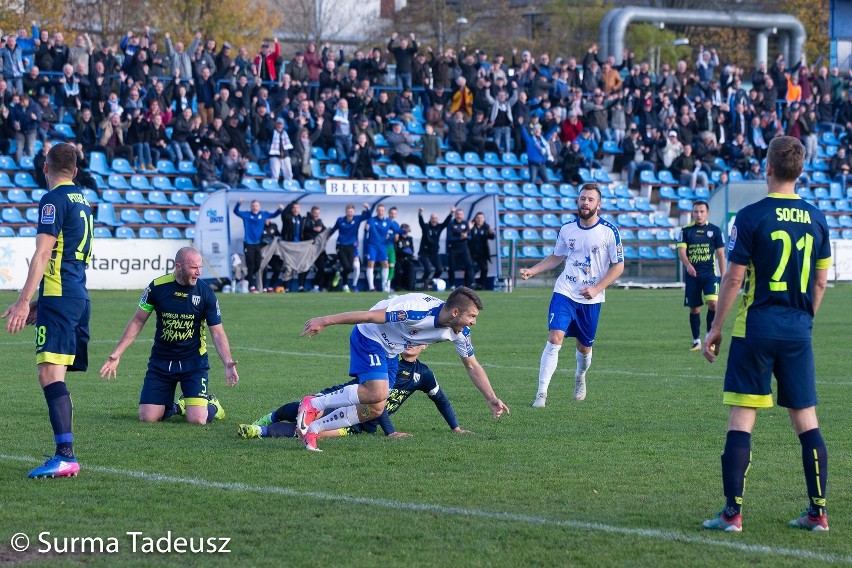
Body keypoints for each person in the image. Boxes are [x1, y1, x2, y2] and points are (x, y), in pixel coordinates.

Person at [702, 136, 832, 533]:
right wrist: (804, 320)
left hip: (754, 329)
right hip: (797, 331)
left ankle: (733, 513)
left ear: (768, 168)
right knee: (806, 420)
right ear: (800, 171)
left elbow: (734, 277)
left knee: (742, 419)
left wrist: (717, 327)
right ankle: (818, 512)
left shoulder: (751, 215)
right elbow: (822, 282)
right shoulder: (817, 217)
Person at [295, 287, 510, 451]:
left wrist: (491, 397)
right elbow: (369, 317)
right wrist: (324, 321)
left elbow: (472, 365)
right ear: (455, 312)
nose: (473, 323)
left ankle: (313, 430)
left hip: (392, 349)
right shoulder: (415, 311)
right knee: (376, 392)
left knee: (378, 408)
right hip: (370, 335)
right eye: (472, 317)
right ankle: (313, 403)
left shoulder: (460, 332)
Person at [2, 143, 93, 479]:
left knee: (49, 374)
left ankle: (65, 455)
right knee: (55, 373)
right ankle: (64, 452)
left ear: (45, 167)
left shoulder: (52, 200)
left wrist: (24, 300)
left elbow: (43, 254)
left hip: (61, 294)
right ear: (76, 170)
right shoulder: (83, 200)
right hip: (76, 294)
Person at [99, 247, 239, 425]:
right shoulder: (157, 287)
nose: (198, 272)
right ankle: (180, 406)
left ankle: (213, 406)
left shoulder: (206, 293)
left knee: (197, 420)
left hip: (193, 362)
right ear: (178, 266)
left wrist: (227, 361)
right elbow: (138, 321)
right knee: (147, 418)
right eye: (193, 267)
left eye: (200, 267)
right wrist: (117, 354)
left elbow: (217, 331)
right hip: (162, 362)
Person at [520, 183, 624, 408]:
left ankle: (580, 376)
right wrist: (533, 270)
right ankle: (541, 394)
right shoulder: (567, 229)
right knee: (554, 338)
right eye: (582, 198)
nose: (585, 203)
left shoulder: (609, 231)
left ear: (599, 204)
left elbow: (618, 267)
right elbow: (557, 256)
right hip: (565, 292)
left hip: (591, 300)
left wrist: (596, 289)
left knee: (584, 348)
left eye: (590, 199)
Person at [238, 344, 471, 439]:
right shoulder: (385, 363)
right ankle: (271, 416)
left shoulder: (423, 374)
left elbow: (440, 399)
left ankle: (260, 430)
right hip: (340, 398)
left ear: (425, 344)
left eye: (417, 339)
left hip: (360, 422)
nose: (411, 343)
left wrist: (456, 427)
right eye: (408, 337)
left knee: (311, 431)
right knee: (309, 411)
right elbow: (374, 395)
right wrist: (390, 432)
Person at [677, 201, 726, 351]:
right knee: (695, 308)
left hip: (710, 275)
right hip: (693, 276)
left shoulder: (715, 231)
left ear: (707, 213)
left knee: (713, 303)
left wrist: (724, 275)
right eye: (696, 212)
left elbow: (721, 254)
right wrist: (688, 265)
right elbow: (682, 252)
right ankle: (696, 341)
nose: (699, 214)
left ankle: (709, 338)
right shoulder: (685, 231)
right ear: (692, 213)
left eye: (702, 212)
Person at [232, 198, 284, 293]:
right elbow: (235, 211)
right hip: (248, 244)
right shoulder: (247, 215)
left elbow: (274, 215)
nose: (255, 207)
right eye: (253, 206)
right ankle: (252, 287)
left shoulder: (263, 215)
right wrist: (239, 203)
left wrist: (280, 209)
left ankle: (246, 280)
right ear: (251, 207)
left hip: (257, 245)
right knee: (250, 266)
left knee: (258, 266)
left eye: (256, 206)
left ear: (259, 207)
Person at [329, 203, 371, 292]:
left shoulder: (357, 219)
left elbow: (368, 215)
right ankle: (345, 285)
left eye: (351, 211)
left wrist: (368, 208)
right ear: (346, 212)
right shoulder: (340, 220)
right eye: (348, 211)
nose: (350, 213)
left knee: (352, 267)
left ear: (353, 212)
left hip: (351, 246)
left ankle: (344, 279)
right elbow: (333, 230)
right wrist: (325, 237)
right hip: (341, 246)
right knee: (347, 267)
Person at [418, 206, 454, 286]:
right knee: (428, 269)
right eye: (433, 218)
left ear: (438, 219)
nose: (434, 220)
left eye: (436, 218)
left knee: (440, 270)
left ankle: (431, 282)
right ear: (430, 218)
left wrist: (451, 213)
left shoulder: (439, 227)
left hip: (434, 253)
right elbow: (421, 222)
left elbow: (446, 222)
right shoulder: (426, 227)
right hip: (424, 253)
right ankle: (424, 283)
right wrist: (420, 214)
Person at [364, 204, 393, 292]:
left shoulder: (387, 221)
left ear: (384, 212)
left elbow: (394, 230)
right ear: (377, 211)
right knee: (370, 264)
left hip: (382, 246)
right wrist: (366, 229)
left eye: (382, 210)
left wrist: (403, 231)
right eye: (379, 210)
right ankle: (371, 287)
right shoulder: (372, 220)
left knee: (385, 264)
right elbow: (367, 229)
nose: (380, 212)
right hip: (372, 245)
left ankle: (385, 286)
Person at [446, 208, 475, 289]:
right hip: (453, 249)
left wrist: (465, 236)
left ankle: (472, 283)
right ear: (455, 215)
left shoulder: (466, 223)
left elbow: (469, 237)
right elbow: (449, 238)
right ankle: (452, 285)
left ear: (463, 215)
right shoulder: (451, 224)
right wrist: (461, 237)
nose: (459, 216)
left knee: (469, 265)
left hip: (464, 248)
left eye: (461, 214)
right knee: (452, 267)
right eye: (458, 214)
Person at [468, 212, 495, 290]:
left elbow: (492, 237)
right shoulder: (472, 226)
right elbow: (467, 236)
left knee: (485, 269)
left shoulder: (486, 227)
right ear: (475, 219)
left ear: (484, 219)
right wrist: (469, 229)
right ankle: (471, 285)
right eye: (478, 218)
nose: (479, 220)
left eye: (481, 218)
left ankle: (481, 285)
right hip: (472, 253)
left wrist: (492, 232)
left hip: (482, 253)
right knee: (471, 269)